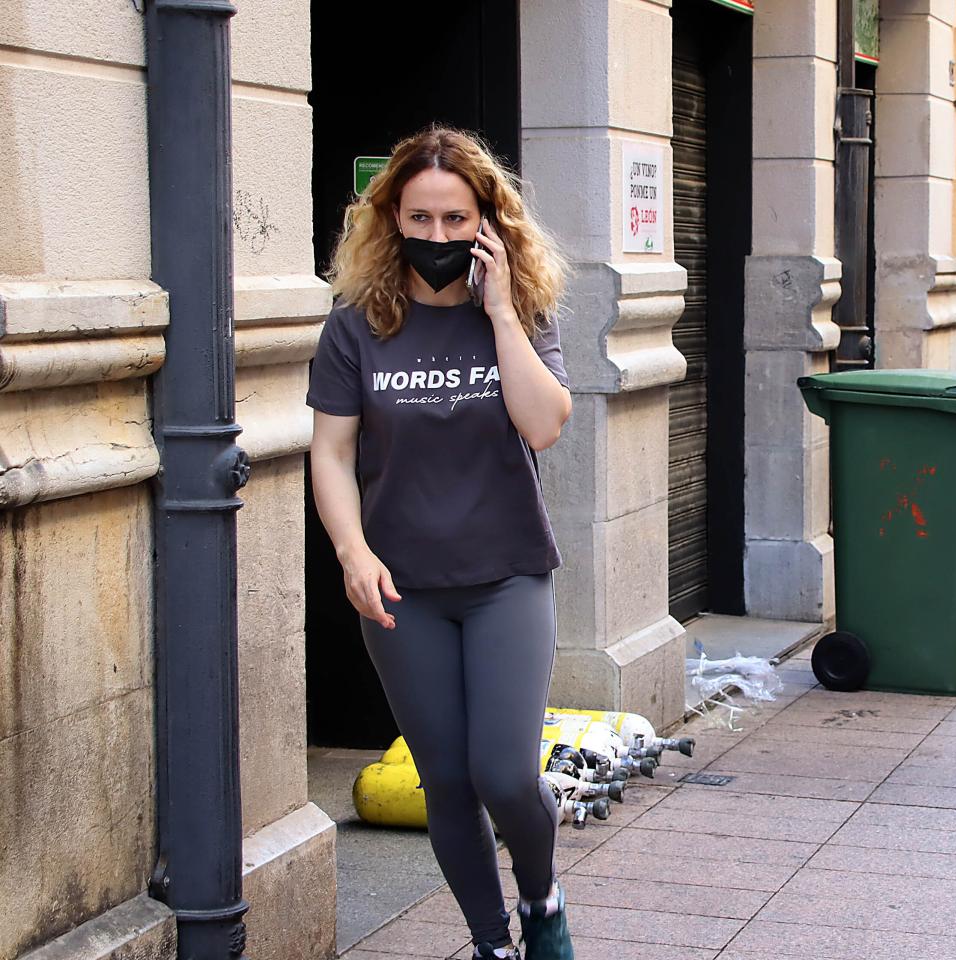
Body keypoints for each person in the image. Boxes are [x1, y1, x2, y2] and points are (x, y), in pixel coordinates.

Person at [307, 126, 576, 960]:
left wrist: (498, 314)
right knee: (449, 785)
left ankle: (541, 901)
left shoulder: (525, 309)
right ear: (390, 220)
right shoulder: (357, 326)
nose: (436, 238)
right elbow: (332, 450)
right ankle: (492, 943)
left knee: (503, 774)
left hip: (506, 577)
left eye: (455, 219)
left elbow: (544, 426)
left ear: (489, 222)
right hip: (401, 589)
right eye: (418, 220)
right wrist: (353, 552)